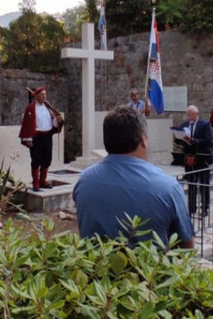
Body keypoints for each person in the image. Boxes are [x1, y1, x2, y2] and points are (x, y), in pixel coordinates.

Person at [74, 107, 194, 249]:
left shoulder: (84, 182)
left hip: (95, 269)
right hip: (149, 270)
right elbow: (187, 248)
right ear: (143, 139)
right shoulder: (168, 188)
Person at [19, 86, 64, 192]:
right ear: (36, 96)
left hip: (47, 136)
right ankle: (35, 182)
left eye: (45, 94)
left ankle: (42, 180)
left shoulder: (48, 108)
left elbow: (52, 123)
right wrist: (28, 139)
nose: (44, 96)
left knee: (47, 159)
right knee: (36, 160)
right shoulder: (30, 108)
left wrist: (57, 121)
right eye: (42, 94)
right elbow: (27, 124)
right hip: (36, 137)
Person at [171, 105, 213, 218]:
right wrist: (179, 138)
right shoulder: (184, 125)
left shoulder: (204, 125)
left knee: (204, 184)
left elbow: (208, 139)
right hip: (189, 158)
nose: (188, 117)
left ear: (196, 114)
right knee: (192, 184)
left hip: (201, 157)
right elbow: (178, 141)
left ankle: (205, 208)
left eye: (190, 114)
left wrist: (194, 140)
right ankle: (191, 208)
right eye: (187, 114)